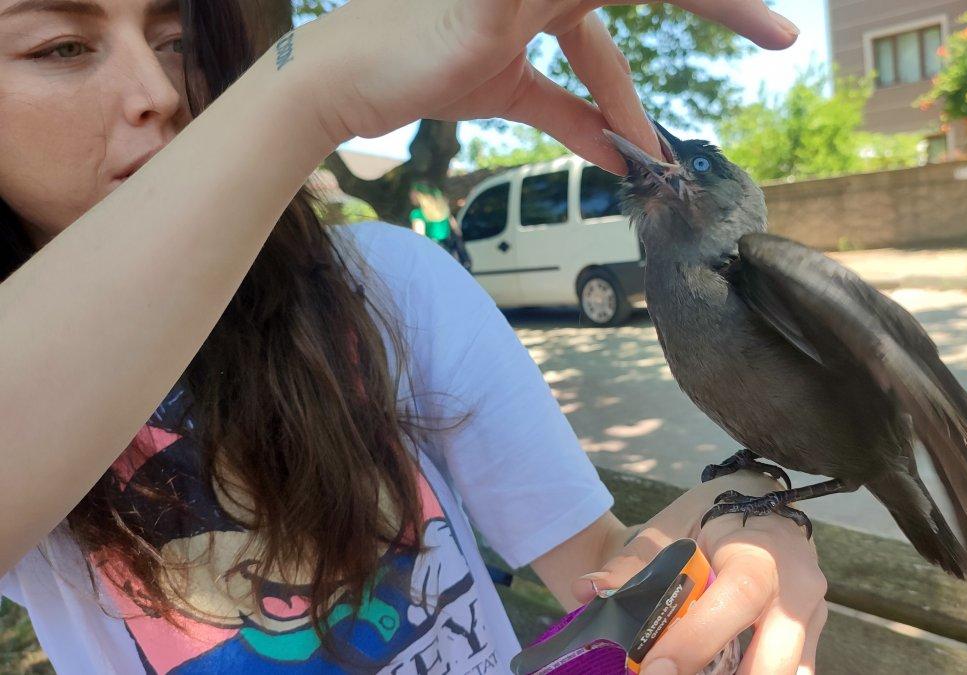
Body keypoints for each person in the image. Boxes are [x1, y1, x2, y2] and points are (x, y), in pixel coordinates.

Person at [0, 0, 826, 673]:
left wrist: (736, 533)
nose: (159, 90)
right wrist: (305, 91)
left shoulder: (388, 282)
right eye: (62, 46)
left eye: (178, 38)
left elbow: (599, 566)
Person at [409, 182, 472, 270]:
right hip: (449, 253)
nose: (410, 196)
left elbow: (419, 237)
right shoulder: (444, 211)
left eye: (412, 193)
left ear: (419, 195)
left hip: (432, 256)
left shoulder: (418, 214)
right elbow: (457, 231)